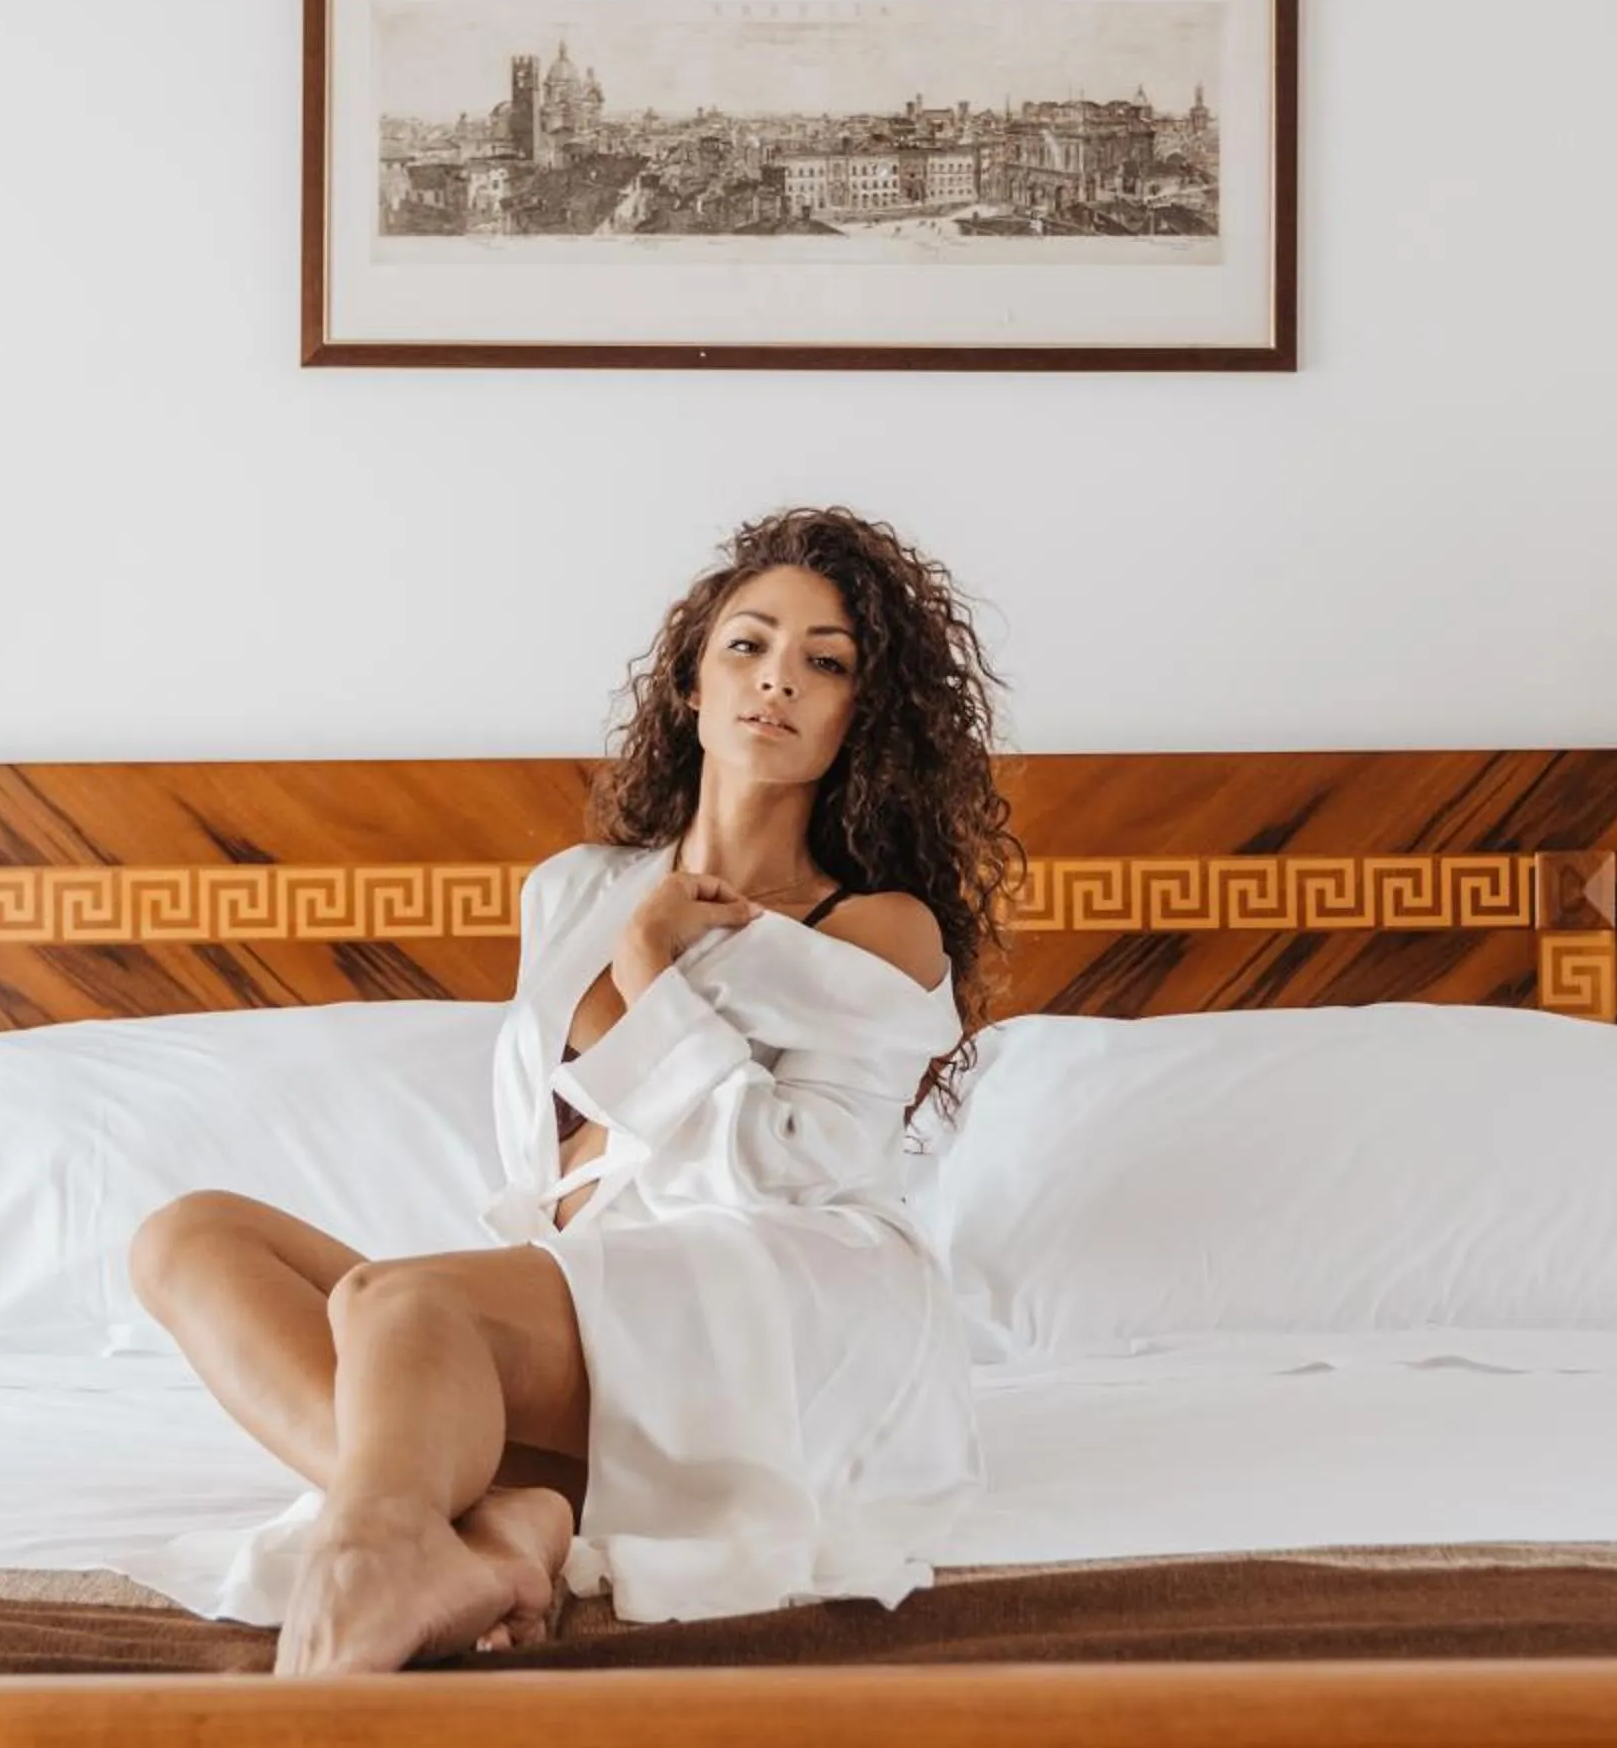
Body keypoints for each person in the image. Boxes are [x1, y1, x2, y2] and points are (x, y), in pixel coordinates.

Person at [127, 505, 1019, 1676]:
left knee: (399, 1303)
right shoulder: (574, 889)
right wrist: (631, 934)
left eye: (828, 660)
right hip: (591, 1282)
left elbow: (801, 1164)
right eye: (748, 644)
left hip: (788, 1289)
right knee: (188, 1236)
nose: (778, 678)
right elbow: (554, 1150)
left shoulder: (878, 924)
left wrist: (650, 971)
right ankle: (495, 1513)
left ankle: (375, 1561)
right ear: (692, 683)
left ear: (866, 714)